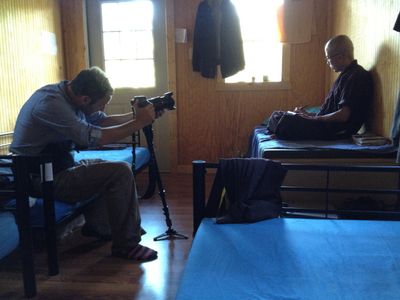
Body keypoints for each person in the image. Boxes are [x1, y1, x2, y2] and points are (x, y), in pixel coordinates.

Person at [10, 66, 159, 262]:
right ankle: (127, 244)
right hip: (41, 178)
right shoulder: (51, 104)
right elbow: (95, 137)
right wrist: (139, 123)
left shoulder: (69, 95)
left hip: (59, 167)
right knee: (119, 171)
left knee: (104, 167)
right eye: (102, 104)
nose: (103, 109)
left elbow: (101, 121)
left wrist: (140, 116)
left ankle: (101, 227)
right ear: (85, 99)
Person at [267, 34, 373, 140]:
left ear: (340, 57)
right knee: (277, 115)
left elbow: (343, 115)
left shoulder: (356, 76)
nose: (327, 62)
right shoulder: (346, 75)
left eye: (328, 58)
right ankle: (283, 130)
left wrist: (314, 119)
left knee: (287, 120)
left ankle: (283, 131)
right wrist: (309, 115)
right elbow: (329, 112)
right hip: (324, 124)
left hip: (335, 130)